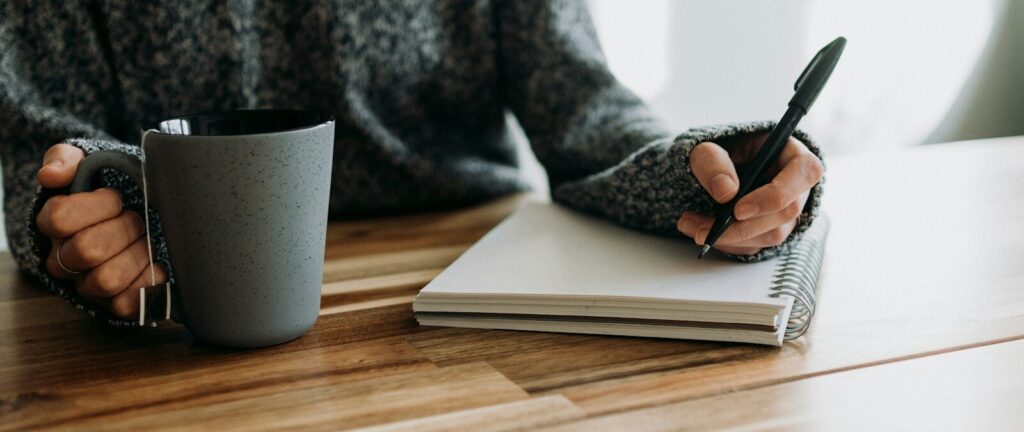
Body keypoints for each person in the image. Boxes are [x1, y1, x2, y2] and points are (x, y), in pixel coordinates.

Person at [0, 1, 823, 326]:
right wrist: (75, 230)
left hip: (478, 296)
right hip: (177, 312)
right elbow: (37, 140)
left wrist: (709, 167)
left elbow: (587, 113)